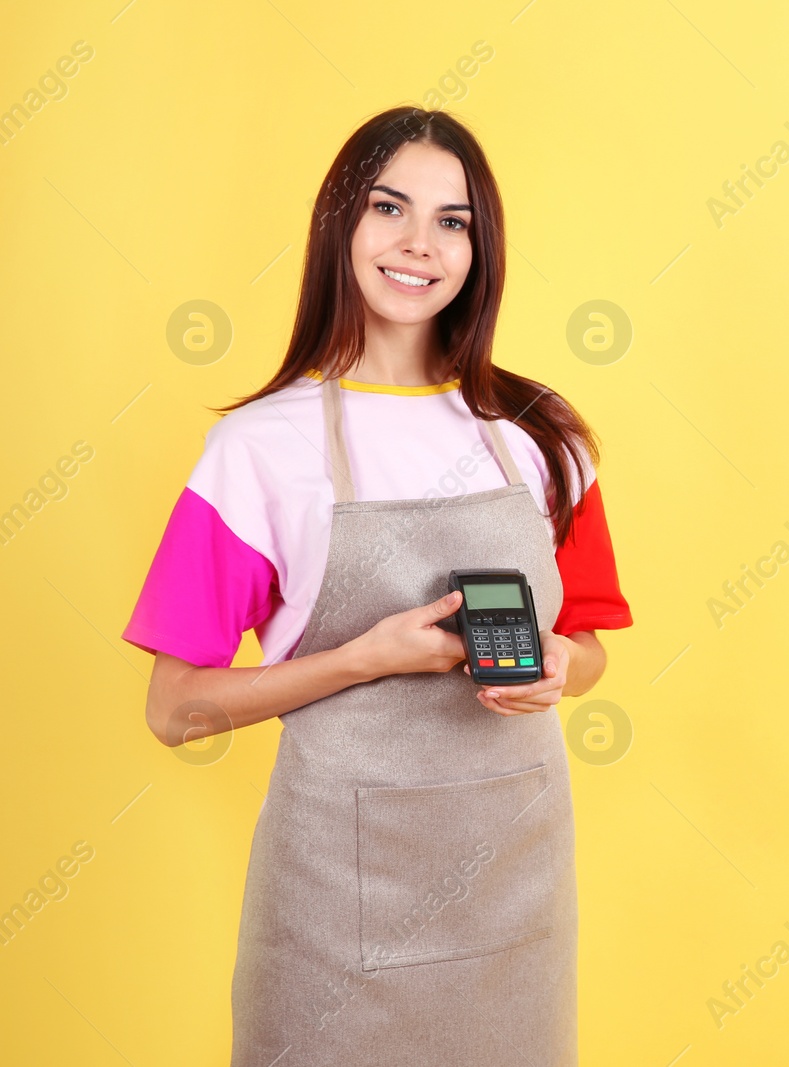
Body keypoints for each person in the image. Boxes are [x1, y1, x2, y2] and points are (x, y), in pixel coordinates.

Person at [120, 106, 631, 1066]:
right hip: (333, 914)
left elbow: (593, 645)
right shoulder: (258, 449)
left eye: (453, 220)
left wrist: (562, 664)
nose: (417, 244)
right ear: (338, 225)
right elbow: (174, 708)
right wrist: (362, 659)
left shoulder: (543, 435)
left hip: (515, 898)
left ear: (481, 249)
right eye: (388, 207)